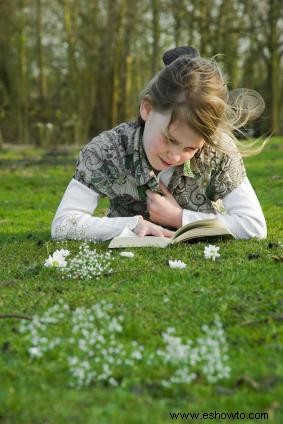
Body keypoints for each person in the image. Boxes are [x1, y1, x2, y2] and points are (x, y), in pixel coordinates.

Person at [51, 46, 267, 242]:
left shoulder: (218, 149)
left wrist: (179, 217)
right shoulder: (106, 150)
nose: (174, 156)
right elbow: (63, 224)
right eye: (170, 139)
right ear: (147, 109)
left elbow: (254, 226)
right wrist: (132, 224)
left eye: (190, 148)